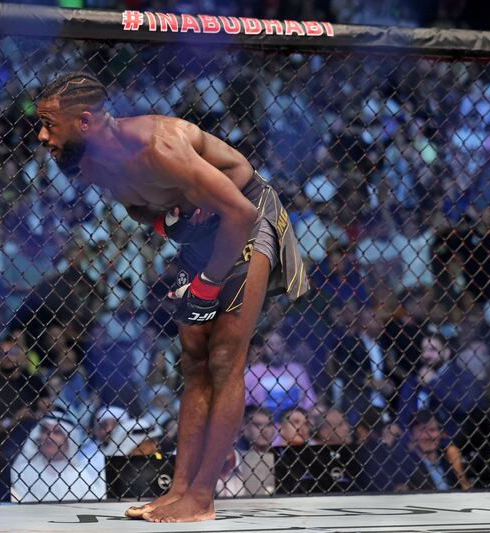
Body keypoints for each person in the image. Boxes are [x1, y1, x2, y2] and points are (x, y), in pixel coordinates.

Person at [36, 72, 310, 522]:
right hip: (201, 233)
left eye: (48, 123)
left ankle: (202, 498)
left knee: (224, 358)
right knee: (193, 360)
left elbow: (240, 210)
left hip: (244, 215)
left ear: (84, 121)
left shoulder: (158, 147)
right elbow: (137, 205)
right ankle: (180, 489)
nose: (42, 136)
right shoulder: (93, 163)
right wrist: (170, 225)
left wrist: (205, 285)